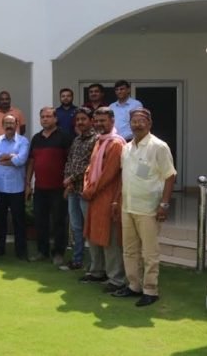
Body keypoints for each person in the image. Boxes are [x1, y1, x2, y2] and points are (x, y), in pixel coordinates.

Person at [113, 108, 176, 307]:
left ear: (149, 124)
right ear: (130, 124)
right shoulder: (126, 148)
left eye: (141, 121)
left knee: (149, 252)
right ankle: (134, 286)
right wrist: (117, 201)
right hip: (128, 206)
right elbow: (124, 177)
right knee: (129, 250)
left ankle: (150, 290)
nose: (137, 124)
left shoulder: (159, 146)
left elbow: (170, 175)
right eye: (134, 121)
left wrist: (164, 204)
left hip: (149, 208)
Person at [80, 107, 126, 291]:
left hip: (108, 196)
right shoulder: (99, 141)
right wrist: (86, 186)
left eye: (103, 121)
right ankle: (97, 271)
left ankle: (116, 279)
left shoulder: (116, 143)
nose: (99, 124)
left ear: (112, 121)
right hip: (93, 196)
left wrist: (91, 190)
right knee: (93, 235)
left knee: (110, 238)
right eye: (97, 121)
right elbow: (90, 168)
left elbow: (108, 174)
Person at [26, 107, 72, 265]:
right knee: (40, 221)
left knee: (59, 221)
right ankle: (42, 251)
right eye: (42, 117)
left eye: (48, 116)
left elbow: (70, 161)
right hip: (40, 188)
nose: (45, 119)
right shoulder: (36, 138)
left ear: (55, 119)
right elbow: (31, 162)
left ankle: (58, 253)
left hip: (59, 188)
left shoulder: (64, 136)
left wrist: (69, 183)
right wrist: (28, 183)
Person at [0, 115, 29, 259]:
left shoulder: (23, 141)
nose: (9, 125)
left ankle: (21, 250)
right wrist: (11, 156)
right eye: (7, 123)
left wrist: (3, 159)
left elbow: (21, 160)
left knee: (19, 220)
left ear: (17, 124)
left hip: (16, 188)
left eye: (12, 123)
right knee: (0, 220)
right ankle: (0, 247)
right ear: (3, 125)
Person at [61, 107, 97, 271]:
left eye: (83, 119)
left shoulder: (96, 140)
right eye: (78, 120)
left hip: (85, 191)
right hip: (73, 190)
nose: (80, 122)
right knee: (76, 227)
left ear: (91, 121)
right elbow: (70, 161)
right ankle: (77, 260)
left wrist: (72, 178)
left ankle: (95, 264)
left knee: (90, 227)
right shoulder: (76, 140)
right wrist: (68, 181)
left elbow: (90, 165)